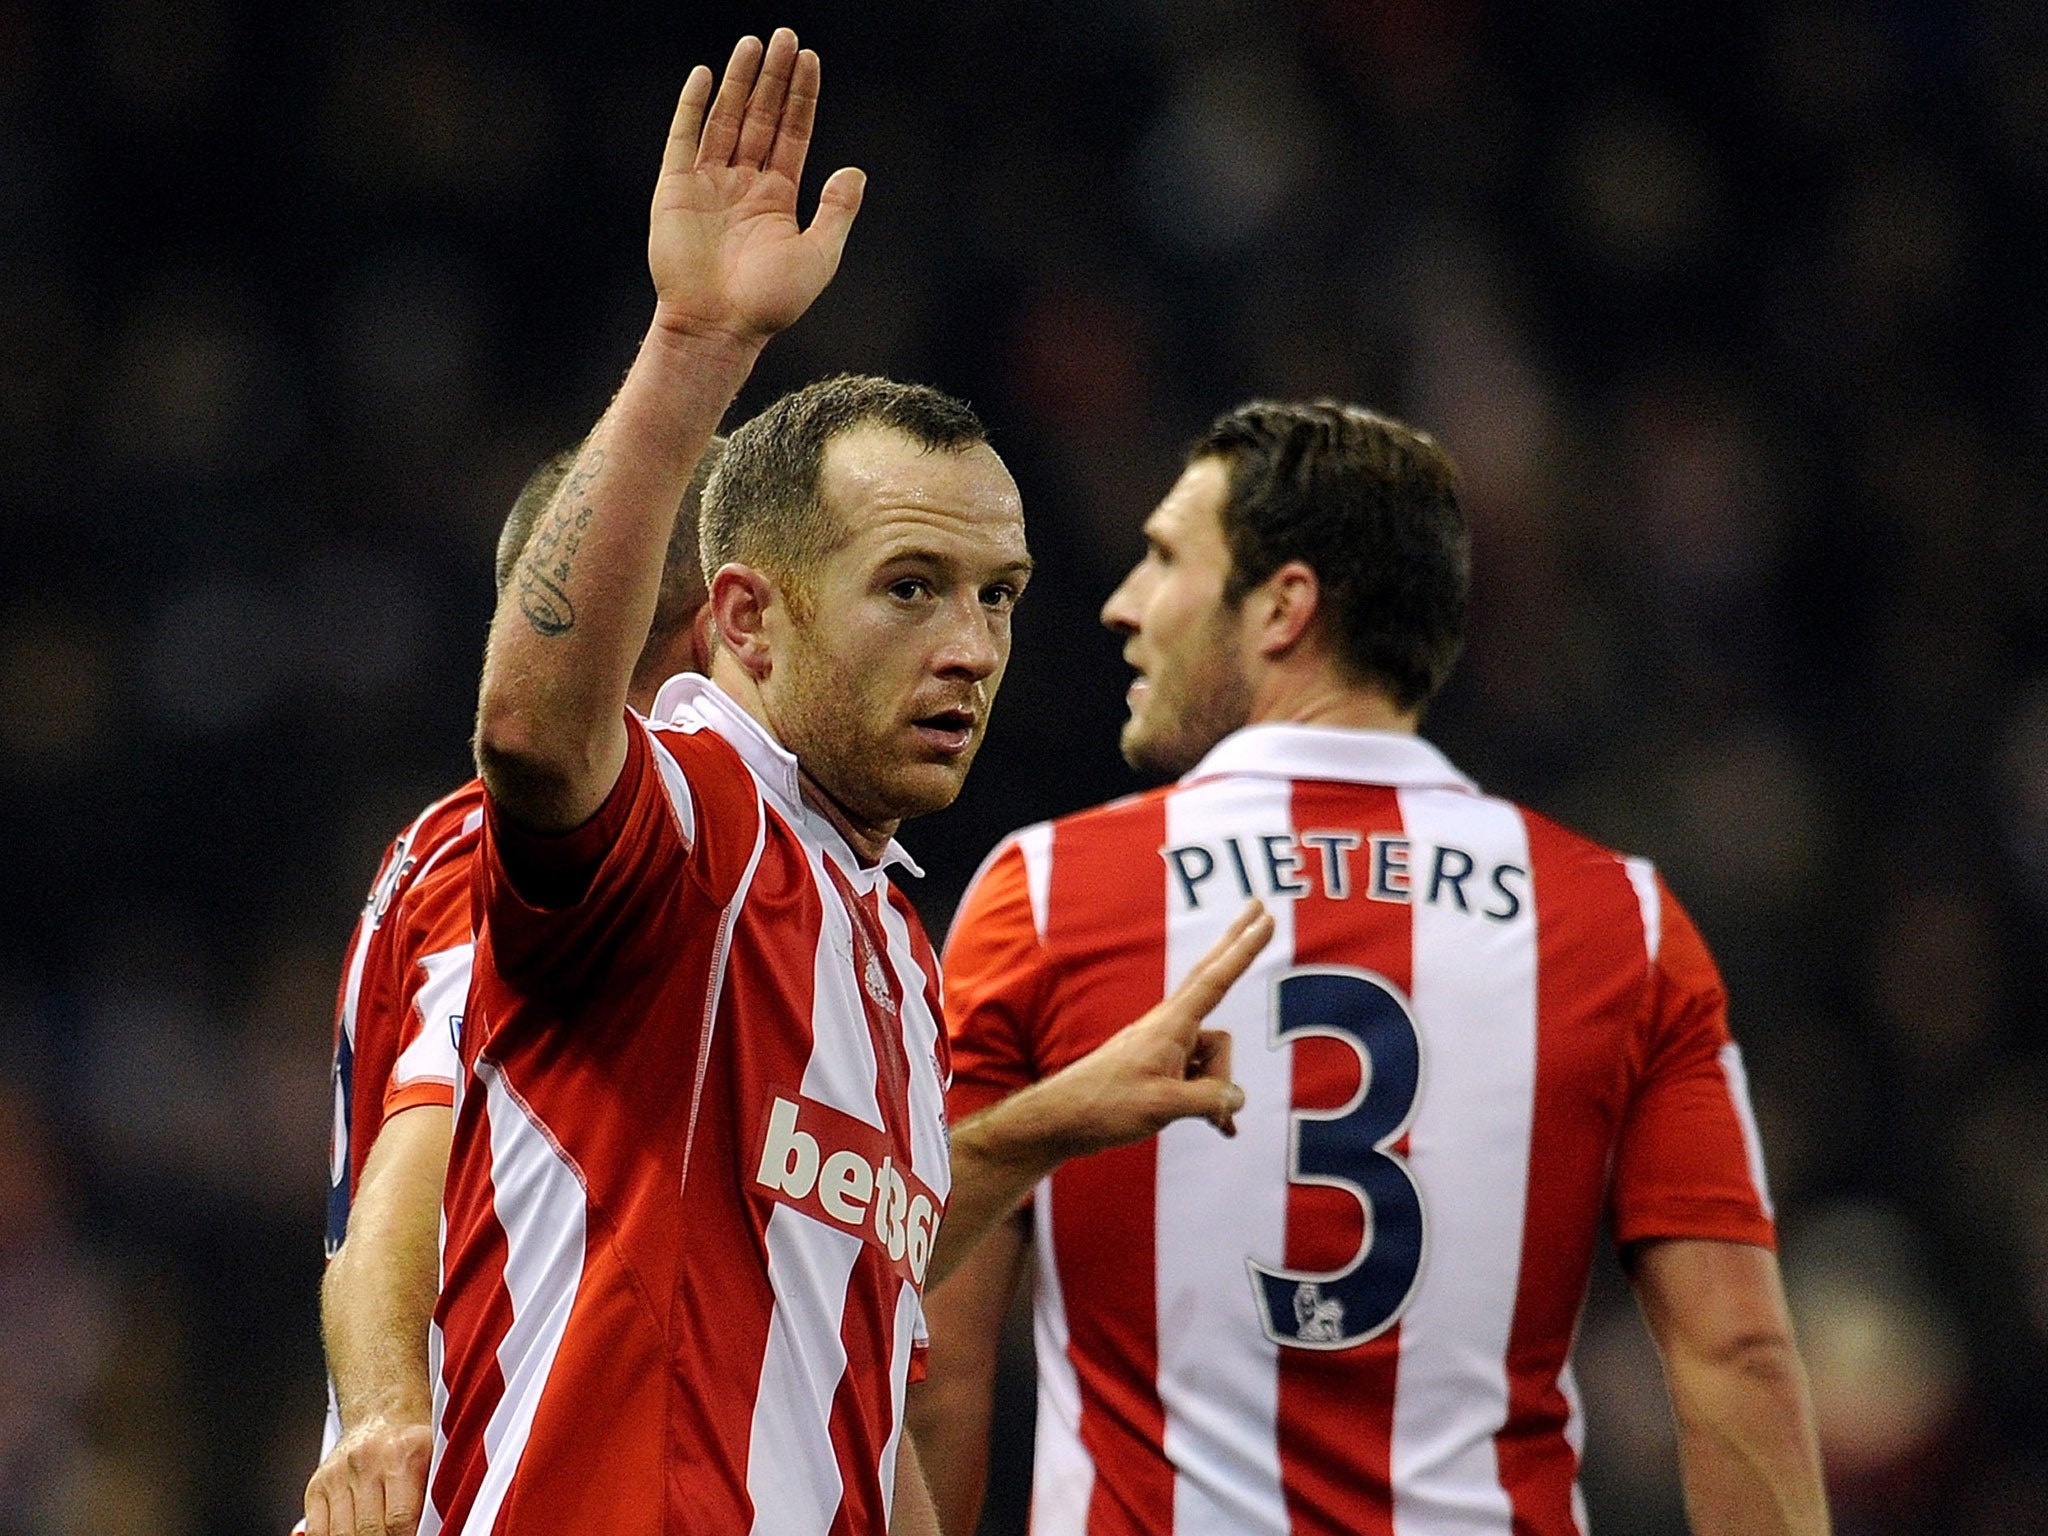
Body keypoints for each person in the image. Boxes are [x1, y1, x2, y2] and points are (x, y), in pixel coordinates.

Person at [430, 31, 1269, 1536]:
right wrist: (694, 343)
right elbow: (535, 739)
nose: (971, 650)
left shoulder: (881, 934)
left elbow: (836, 1315)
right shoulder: (693, 820)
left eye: (999, 596)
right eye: (911, 588)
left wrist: (1050, 1118)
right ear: (743, 617)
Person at [916, 400, 1833, 1535]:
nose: (1123, 605)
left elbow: (933, 1366)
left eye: (1163, 561)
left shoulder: (1046, 896)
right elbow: (1734, 1354)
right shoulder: (1620, 924)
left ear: (1283, 607)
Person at [301, 438, 725, 1536]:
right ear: (723, 624)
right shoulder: (519, 858)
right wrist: (385, 1421)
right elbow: (421, 1137)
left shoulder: (462, 846)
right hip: (487, 1488)